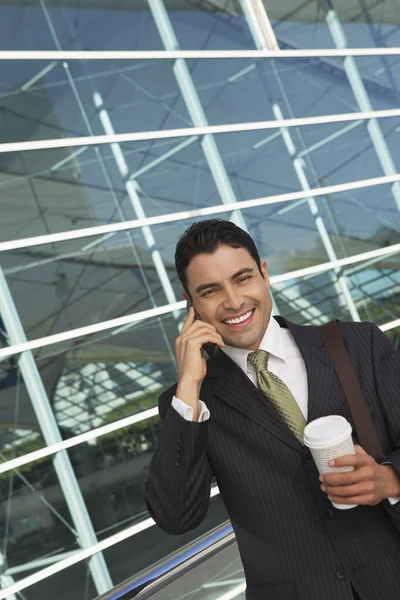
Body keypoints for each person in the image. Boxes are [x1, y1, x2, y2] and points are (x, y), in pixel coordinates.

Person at [144, 219, 400, 600]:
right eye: (210, 291)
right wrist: (189, 385)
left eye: (243, 278)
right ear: (190, 303)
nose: (233, 302)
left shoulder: (356, 344)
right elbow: (176, 515)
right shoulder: (190, 402)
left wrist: (390, 480)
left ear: (264, 275)